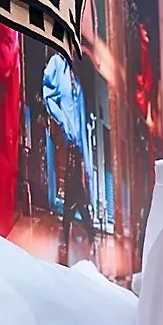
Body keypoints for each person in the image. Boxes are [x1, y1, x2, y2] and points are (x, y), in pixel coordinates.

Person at [42, 51, 95, 263]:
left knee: (75, 191)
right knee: (74, 191)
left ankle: (72, 235)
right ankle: (84, 233)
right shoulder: (56, 63)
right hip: (64, 141)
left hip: (76, 145)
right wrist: (63, 122)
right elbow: (49, 96)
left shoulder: (76, 75)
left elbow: (81, 119)